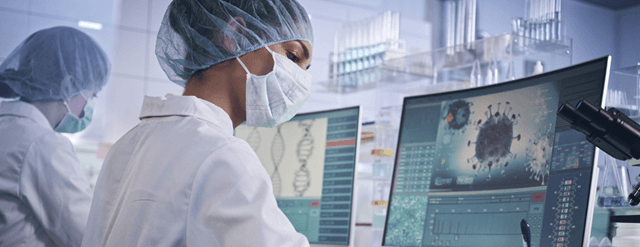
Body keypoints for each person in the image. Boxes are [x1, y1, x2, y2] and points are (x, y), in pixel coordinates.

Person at [82, 0, 313, 246]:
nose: (300, 78)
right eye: (293, 56)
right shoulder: (222, 155)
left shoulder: (126, 146)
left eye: (306, 69)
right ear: (235, 35)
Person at [0, 26, 111, 247]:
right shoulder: (43, 145)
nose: (89, 106)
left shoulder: (7, 126)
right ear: (69, 86)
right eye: (92, 95)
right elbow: (91, 237)